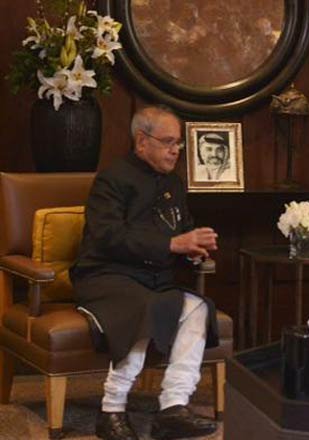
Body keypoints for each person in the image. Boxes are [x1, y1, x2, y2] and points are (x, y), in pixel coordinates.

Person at [70, 105, 220, 440]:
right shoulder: (112, 180)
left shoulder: (174, 183)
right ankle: (111, 410)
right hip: (105, 276)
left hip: (153, 280)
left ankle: (173, 407)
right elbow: (108, 237)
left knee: (198, 308)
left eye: (178, 143)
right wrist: (172, 244)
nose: (175, 150)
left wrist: (192, 249)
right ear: (141, 141)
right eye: (168, 142)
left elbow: (181, 230)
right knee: (146, 307)